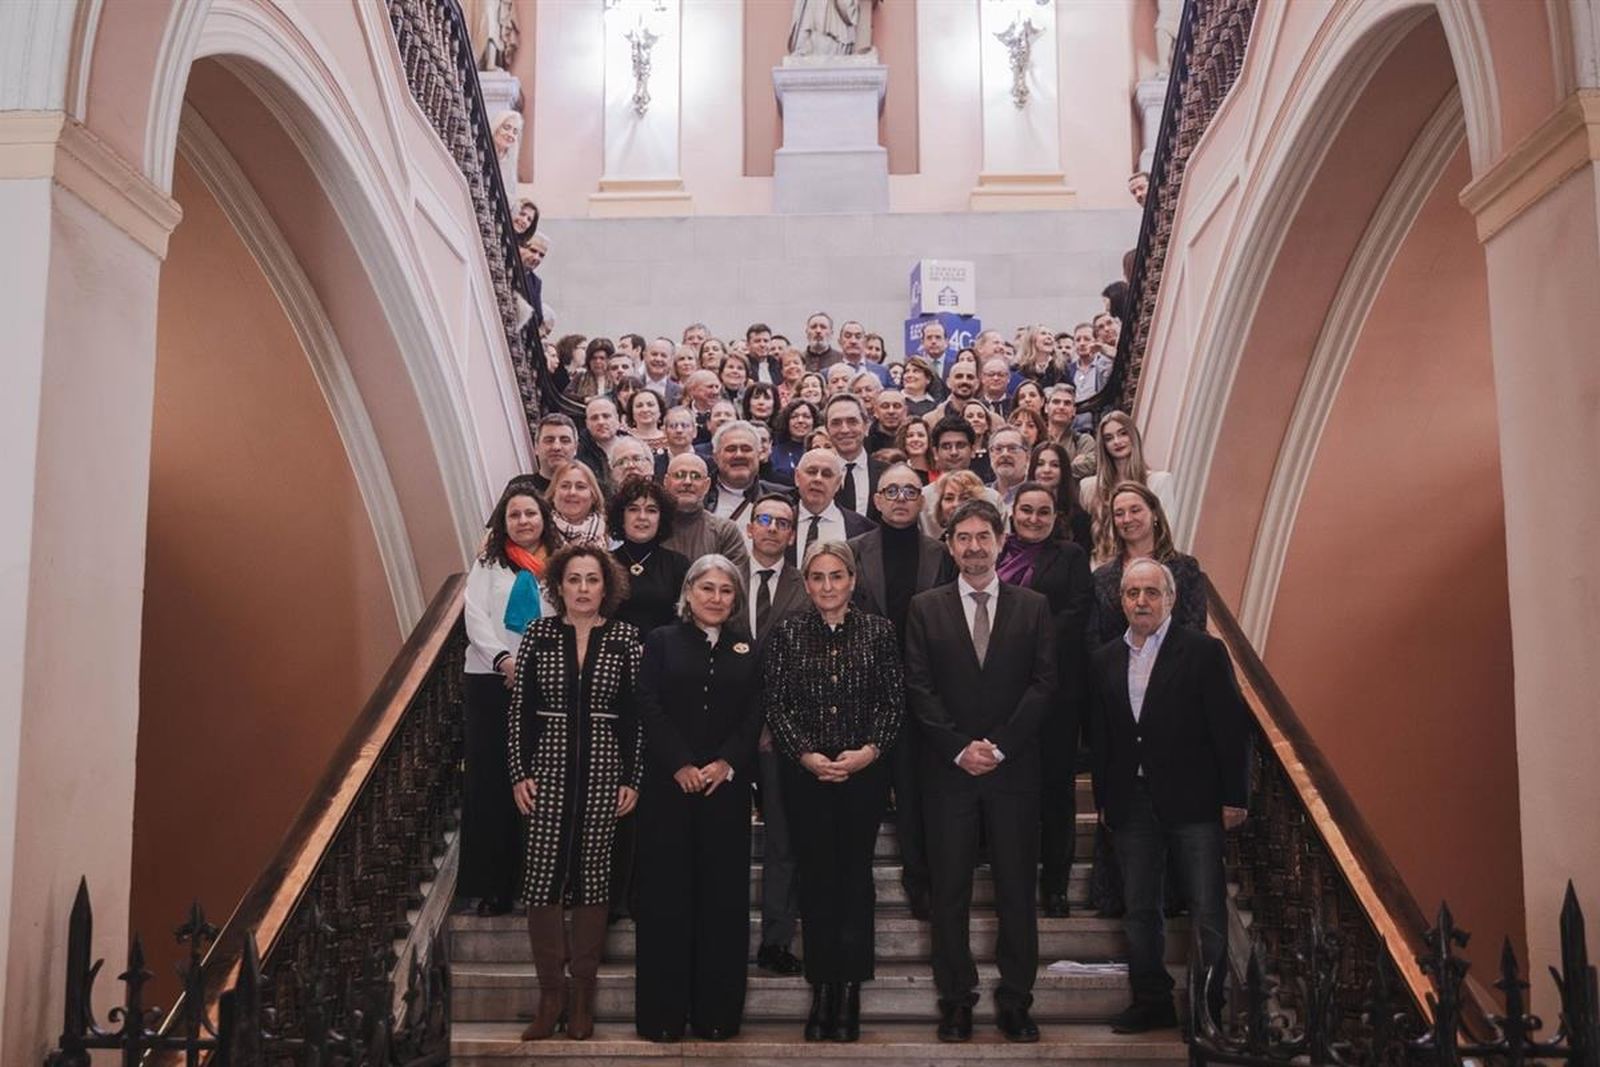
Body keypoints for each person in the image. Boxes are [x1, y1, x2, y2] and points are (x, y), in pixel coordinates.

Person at [905, 500, 1056, 1044]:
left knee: (1017, 891)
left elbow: (1044, 684)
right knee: (950, 894)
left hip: (1013, 773)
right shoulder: (925, 608)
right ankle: (956, 1001)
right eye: (962, 538)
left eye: (982, 537)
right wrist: (958, 748)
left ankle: (1017, 1000)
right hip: (948, 774)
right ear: (950, 546)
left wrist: (1000, 747)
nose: (973, 546)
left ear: (1000, 541)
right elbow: (917, 687)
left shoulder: (1033, 606)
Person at [1088, 558, 1251, 1034]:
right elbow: (1101, 737)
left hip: (1195, 800)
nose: (1141, 601)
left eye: (1151, 592)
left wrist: (1234, 796)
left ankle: (1206, 1009)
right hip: (1130, 802)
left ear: (1171, 599)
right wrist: (1103, 798)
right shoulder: (1104, 660)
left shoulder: (1202, 652)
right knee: (1140, 907)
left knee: (1205, 907)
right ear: (1121, 601)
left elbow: (1231, 730)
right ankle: (1151, 1001)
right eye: (1133, 592)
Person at [764, 541, 904, 1042]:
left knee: (854, 881)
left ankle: (850, 990)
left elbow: (893, 704)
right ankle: (822, 987)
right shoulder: (786, 635)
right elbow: (776, 707)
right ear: (807, 583)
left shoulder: (879, 632)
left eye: (836, 576)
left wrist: (868, 752)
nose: (827, 586)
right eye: (818, 577)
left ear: (852, 580)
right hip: (806, 777)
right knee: (818, 882)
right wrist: (806, 755)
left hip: (863, 777)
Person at [508, 544, 643, 1041]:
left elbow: (635, 715)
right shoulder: (539, 635)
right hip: (546, 765)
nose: (583, 589)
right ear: (558, 586)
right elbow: (520, 708)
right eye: (574, 580)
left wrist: (634, 777)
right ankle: (550, 996)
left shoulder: (626, 637)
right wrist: (519, 771)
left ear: (606, 587)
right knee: (542, 874)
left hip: (607, 767)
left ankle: (581, 994)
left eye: (592, 580)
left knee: (593, 874)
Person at [633, 555, 763, 1041]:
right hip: (668, 791)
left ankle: (717, 1016)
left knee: (723, 905)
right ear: (688, 593)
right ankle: (662, 1018)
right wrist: (680, 763)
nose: (715, 598)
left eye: (725, 591)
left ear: (735, 599)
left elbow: (755, 710)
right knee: (666, 902)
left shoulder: (748, 649)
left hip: (724, 793)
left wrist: (727, 762)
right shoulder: (662, 642)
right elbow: (647, 703)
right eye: (706, 588)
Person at [848, 464, 955, 922]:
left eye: (910, 491)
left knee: (914, 795)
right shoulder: (852, 551)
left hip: (919, 690)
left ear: (921, 500)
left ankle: (920, 883)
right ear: (875, 500)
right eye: (890, 490)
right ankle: (854, 891)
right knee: (860, 800)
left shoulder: (939, 553)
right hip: (863, 692)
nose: (900, 498)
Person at [461, 486, 560, 917]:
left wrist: (538, 669)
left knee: (542, 786)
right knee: (493, 783)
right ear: (504, 522)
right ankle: (494, 885)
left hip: (547, 684)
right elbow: (473, 613)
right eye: (514, 515)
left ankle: (538, 881)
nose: (523, 521)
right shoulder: (488, 564)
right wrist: (502, 659)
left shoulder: (561, 564)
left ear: (544, 518)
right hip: (490, 680)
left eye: (530, 514)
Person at [998, 484, 1093, 917]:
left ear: (1056, 517)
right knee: (1010, 790)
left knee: (1056, 790)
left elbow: (1076, 612)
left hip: (1055, 692)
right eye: (1027, 511)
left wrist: (1025, 642)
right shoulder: (995, 553)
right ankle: (1010, 878)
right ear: (1012, 512)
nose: (1034, 519)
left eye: (1043, 512)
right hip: (1002, 695)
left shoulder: (1071, 556)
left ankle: (1055, 884)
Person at [744, 494, 810, 979]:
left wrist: (778, 723)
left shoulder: (806, 587)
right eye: (764, 519)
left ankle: (776, 939)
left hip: (781, 732)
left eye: (782, 523)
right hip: (720, 732)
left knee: (785, 840)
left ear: (792, 534)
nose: (772, 528)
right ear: (749, 527)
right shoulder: (719, 577)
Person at [1089, 482, 1207, 644]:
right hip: (1116, 666)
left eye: (1135, 510)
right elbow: (1095, 638)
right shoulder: (1101, 577)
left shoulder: (1185, 568)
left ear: (1155, 514)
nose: (1127, 519)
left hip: (1175, 664)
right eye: (1119, 513)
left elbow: (1195, 628)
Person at [1079, 412, 1175, 564]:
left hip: (1148, 568)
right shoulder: (1089, 487)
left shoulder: (1159, 481)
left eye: (1123, 434)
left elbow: (1167, 531)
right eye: (1109, 438)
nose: (1117, 442)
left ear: (1133, 436)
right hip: (1100, 570)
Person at [609, 476, 690, 635]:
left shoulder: (678, 564)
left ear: (662, 518)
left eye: (651, 510)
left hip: (663, 652)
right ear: (621, 516)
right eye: (633, 509)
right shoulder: (605, 563)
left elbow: (684, 616)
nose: (642, 517)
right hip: (613, 652)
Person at [661, 452, 750, 568]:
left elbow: (736, 582)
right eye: (679, 475)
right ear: (666, 482)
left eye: (696, 476)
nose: (687, 482)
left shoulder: (725, 532)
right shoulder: (652, 527)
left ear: (706, 485)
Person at [791, 448, 876, 561]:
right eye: (811, 472)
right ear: (797, 477)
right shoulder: (779, 521)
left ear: (837, 484)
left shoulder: (864, 529)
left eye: (827, 474)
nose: (818, 479)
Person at [706, 421, 784, 523]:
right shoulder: (699, 496)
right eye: (731, 449)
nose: (739, 455)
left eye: (746, 449)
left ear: (759, 455)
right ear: (716, 457)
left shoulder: (779, 499)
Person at [823, 394, 883, 520]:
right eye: (836, 423)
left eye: (852, 421)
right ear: (827, 431)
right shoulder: (817, 476)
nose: (844, 430)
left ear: (866, 426)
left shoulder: (886, 474)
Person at [1028, 442, 1094, 553]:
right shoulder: (1021, 514)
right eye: (1040, 464)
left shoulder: (1080, 519)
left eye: (1055, 465)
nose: (1046, 470)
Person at [546, 460, 607, 545]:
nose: (572, 492)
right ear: (553, 493)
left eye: (580, 487)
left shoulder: (609, 533)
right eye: (565, 486)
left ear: (593, 496)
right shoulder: (541, 532)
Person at [1043, 386, 1098, 478]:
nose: (1061, 407)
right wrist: (1071, 465)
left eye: (1067, 403)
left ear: (1074, 411)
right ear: (1046, 408)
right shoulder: (1036, 437)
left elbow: (1091, 466)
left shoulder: (1084, 441)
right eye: (1056, 402)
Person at [919, 469, 988, 540]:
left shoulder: (992, 545)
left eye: (965, 498)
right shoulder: (935, 549)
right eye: (949, 498)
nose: (956, 504)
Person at [770, 400, 820, 486]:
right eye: (794, 417)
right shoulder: (774, 452)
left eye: (806, 416)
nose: (800, 420)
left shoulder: (822, 449)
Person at [626, 387, 667, 452]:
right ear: (632, 413)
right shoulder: (625, 440)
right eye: (639, 406)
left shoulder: (671, 439)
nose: (645, 410)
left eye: (650, 405)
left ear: (660, 411)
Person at [895, 417, 934, 484]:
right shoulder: (896, 473)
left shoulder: (939, 473)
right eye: (910, 436)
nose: (915, 439)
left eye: (921, 435)